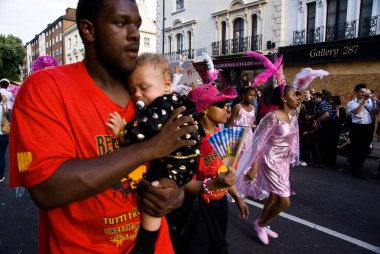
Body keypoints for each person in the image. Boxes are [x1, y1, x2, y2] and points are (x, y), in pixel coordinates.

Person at [9, 0, 197, 253]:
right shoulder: (46, 88)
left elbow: (177, 162)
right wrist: (147, 149)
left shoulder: (146, 94)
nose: (134, 34)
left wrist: (175, 192)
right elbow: (46, 190)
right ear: (88, 30)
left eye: (137, 25)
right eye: (121, 23)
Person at [106, 53, 200, 253]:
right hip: (179, 161)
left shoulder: (164, 104)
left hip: (175, 163)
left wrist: (123, 133)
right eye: (133, 90)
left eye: (144, 88)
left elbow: (147, 127)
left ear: (166, 85)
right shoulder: (172, 101)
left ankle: (146, 244)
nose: (137, 94)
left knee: (154, 195)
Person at [166, 84, 249, 254]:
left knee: (219, 244)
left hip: (220, 203)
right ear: (204, 110)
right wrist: (211, 184)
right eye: (220, 105)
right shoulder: (190, 141)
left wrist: (237, 197)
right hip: (198, 206)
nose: (227, 109)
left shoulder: (221, 134)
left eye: (226, 105)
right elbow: (181, 181)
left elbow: (224, 174)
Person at [236, 84, 300, 245]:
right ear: (284, 99)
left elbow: (293, 140)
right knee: (285, 201)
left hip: (283, 162)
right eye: (294, 95)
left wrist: (290, 160)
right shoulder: (272, 117)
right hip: (270, 161)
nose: (298, 97)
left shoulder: (293, 116)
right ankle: (261, 224)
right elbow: (257, 143)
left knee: (273, 196)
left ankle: (264, 223)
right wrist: (254, 166)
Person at [347, 84, 376, 179]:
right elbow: (356, 111)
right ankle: (355, 170)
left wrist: (376, 108)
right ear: (356, 92)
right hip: (357, 128)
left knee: (364, 150)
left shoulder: (371, 102)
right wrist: (364, 101)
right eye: (361, 92)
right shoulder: (351, 103)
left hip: (368, 128)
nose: (363, 94)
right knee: (356, 149)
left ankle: (358, 168)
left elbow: (374, 112)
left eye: (365, 92)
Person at [228, 86, 257, 178]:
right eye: (250, 95)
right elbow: (230, 123)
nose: (252, 97)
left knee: (248, 157)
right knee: (238, 158)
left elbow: (252, 122)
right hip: (238, 135)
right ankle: (235, 180)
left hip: (249, 135)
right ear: (243, 95)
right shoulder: (237, 107)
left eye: (254, 95)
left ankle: (244, 181)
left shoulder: (253, 108)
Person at [312, 92, 339, 167]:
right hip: (327, 127)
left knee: (316, 144)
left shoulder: (322, 104)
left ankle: (319, 162)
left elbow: (326, 115)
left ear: (319, 98)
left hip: (328, 127)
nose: (313, 100)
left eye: (314, 98)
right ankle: (320, 161)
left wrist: (316, 121)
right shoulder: (321, 105)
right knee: (320, 144)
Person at [0, 95, 8, 182]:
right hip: (3, 134)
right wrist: (4, 101)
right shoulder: (3, 107)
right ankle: (1, 176)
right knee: (1, 155)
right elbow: (7, 114)